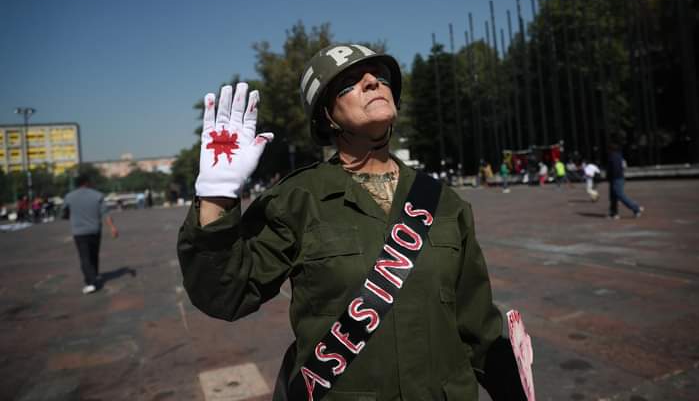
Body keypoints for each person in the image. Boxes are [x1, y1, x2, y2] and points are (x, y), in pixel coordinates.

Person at [178, 43, 527, 400]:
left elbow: (479, 324)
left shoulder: (445, 203)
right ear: (326, 115)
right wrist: (217, 195)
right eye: (348, 83)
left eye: (380, 77)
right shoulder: (297, 200)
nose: (372, 83)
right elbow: (225, 294)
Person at [63, 173, 119, 294]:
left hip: (79, 231)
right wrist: (112, 228)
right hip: (95, 230)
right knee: (94, 254)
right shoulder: (97, 195)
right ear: (87, 183)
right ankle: (95, 275)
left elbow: (64, 214)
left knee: (85, 257)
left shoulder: (69, 196)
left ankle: (92, 282)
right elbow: (105, 213)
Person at [606, 144, 644, 219]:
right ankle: (614, 213)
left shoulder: (613, 157)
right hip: (617, 178)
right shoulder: (618, 156)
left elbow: (614, 169)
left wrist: (610, 176)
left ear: (610, 149)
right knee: (613, 196)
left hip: (616, 178)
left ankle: (636, 208)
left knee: (620, 195)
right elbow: (623, 166)